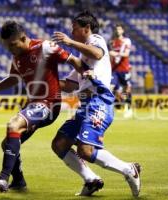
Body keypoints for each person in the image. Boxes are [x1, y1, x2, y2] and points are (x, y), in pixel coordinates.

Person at [0, 20, 83, 192]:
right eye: (7, 46)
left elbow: (73, 60)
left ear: (23, 38)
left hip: (49, 104)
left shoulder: (45, 47)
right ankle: (19, 181)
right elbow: (12, 79)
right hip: (35, 104)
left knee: (13, 124)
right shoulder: (16, 58)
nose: (10, 49)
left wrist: (90, 74)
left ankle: (3, 178)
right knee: (7, 143)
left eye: (13, 45)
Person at [52, 11, 141, 197]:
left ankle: (128, 169)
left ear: (86, 28)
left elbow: (98, 53)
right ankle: (91, 180)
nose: (71, 31)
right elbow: (69, 85)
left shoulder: (96, 40)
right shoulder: (83, 59)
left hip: (99, 101)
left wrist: (69, 42)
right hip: (85, 106)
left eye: (74, 28)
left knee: (85, 150)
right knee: (60, 144)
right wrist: (46, 79)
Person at [109, 24, 133, 118]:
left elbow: (126, 54)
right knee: (111, 87)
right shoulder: (112, 42)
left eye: (119, 29)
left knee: (126, 90)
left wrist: (116, 54)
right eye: (116, 29)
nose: (117, 31)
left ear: (122, 30)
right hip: (114, 70)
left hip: (124, 69)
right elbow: (111, 56)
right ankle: (108, 108)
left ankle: (128, 108)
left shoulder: (126, 41)